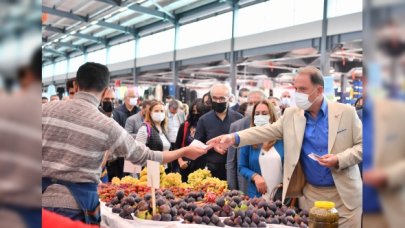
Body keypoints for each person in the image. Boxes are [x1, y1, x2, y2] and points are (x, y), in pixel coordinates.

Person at [42, 62, 207, 224]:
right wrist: (183, 151)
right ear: (106, 89)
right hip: (78, 207)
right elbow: (146, 156)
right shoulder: (107, 125)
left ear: (76, 86)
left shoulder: (45, 111)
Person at [208, 66, 362, 228]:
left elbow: (363, 146)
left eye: (303, 89)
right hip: (311, 196)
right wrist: (233, 137)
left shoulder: (346, 112)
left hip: (344, 197)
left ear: (319, 90)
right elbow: (266, 131)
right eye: (296, 89)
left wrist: (339, 159)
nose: (298, 94)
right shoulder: (291, 115)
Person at [195, 84, 243, 180]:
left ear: (229, 98)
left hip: (236, 167)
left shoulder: (239, 118)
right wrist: (212, 147)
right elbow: (197, 144)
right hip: (212, 169)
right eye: (215, 98)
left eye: (222, 98)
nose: (218, 101)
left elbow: (245, 140)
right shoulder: (204, 120)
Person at [239, 100, 284, 199]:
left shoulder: (282, 139)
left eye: (264, 113)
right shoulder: (248, 139)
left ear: (271, 116)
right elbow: (242, 167)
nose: (260, 116)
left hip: (280, 195)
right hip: (257, 195)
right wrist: (255, 176)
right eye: (257, 113)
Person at [227, 89, 266, 193]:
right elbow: (231, 161)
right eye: (250, 103)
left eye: (256, 103)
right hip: (244, 184)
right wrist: (232, 189)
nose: (253, 106)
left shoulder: (275, 126)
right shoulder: (237, 126)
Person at [174, 100, 206, 182]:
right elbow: (177, 146)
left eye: (199, 112)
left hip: (202, 166)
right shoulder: (185, 126)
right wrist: (180, 161)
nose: (196, 114)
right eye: (193, 111)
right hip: (185, 165)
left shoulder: (207, 127)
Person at [135, 100, 171, 171]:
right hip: (150, 171)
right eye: (156, 111)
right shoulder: (144, 128)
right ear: (150, 113)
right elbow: (137, 152)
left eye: (162, 111)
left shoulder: (164, 130)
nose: (159, 113)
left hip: (164, 170)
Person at [166, 100, 186, 172]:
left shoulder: (181, 113)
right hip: (168, 140)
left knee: (177, 159)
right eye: (172, 112)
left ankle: (175, 173)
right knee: (168, 159)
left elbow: (184, 125)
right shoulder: (164, 114)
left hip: (178, 141)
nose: (174, 113)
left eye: (175, 112)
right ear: (169, 108)